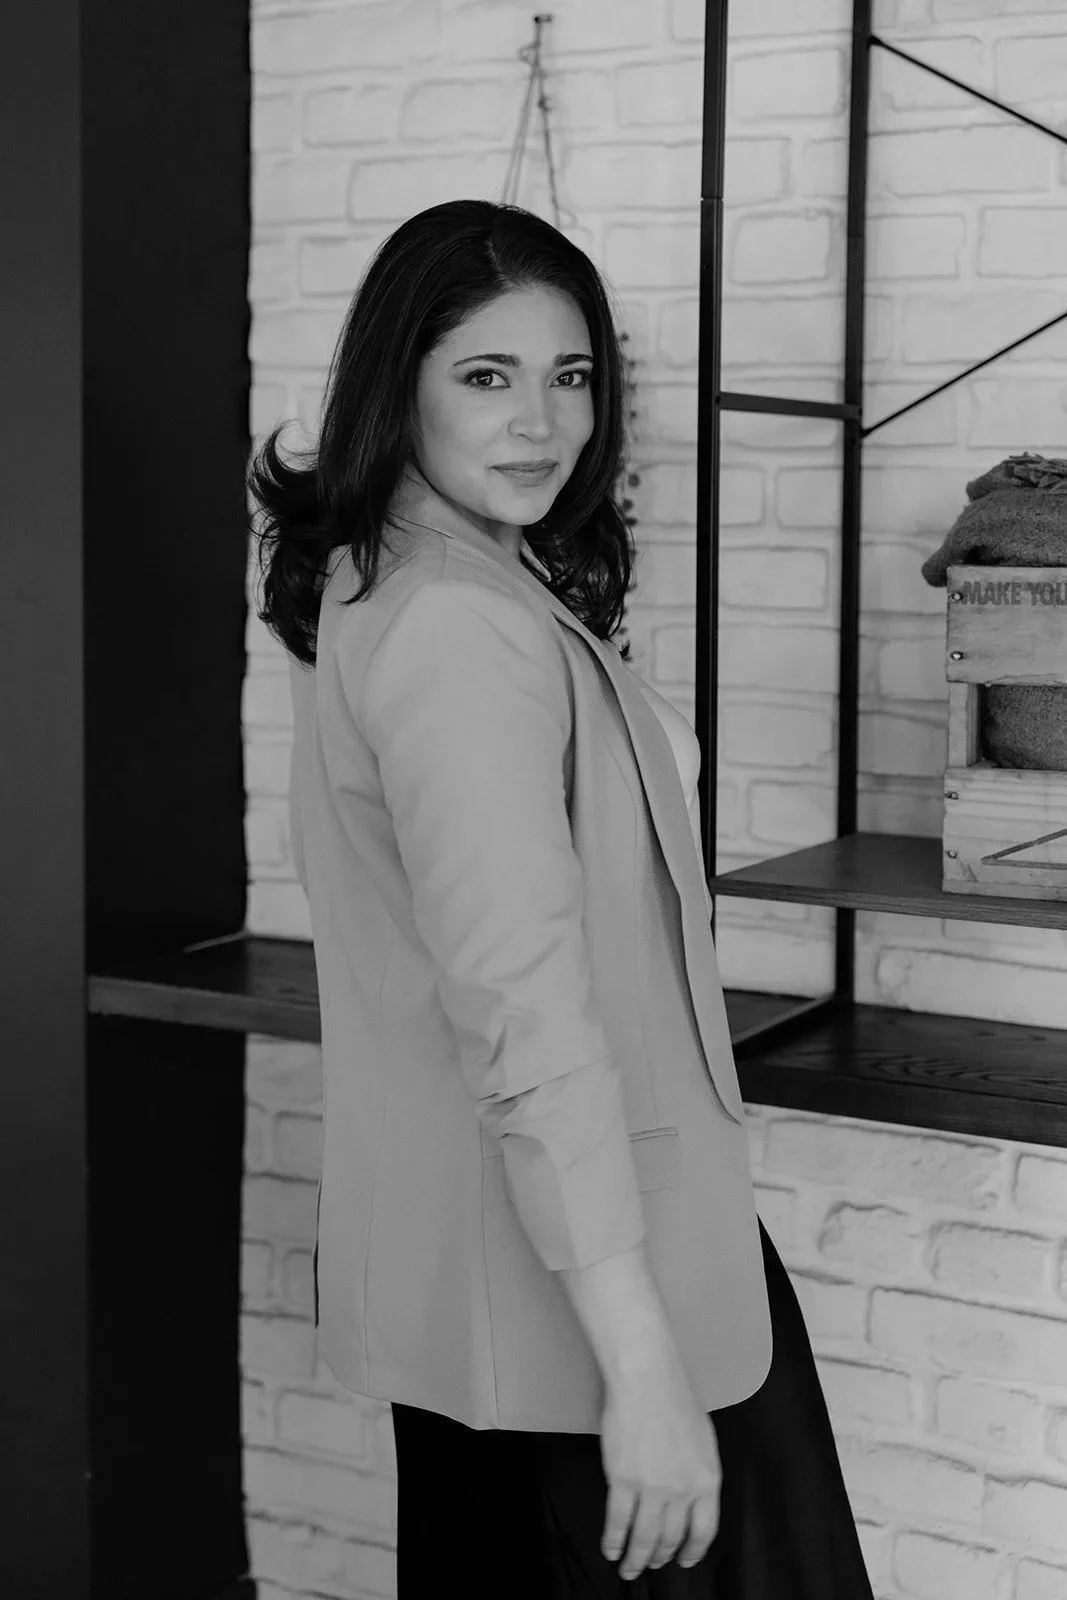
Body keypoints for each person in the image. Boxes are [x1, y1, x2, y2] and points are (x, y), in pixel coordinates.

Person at [249, 199, 874, 1599]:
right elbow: (524, 1014)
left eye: (570, 374)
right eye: (487, 376)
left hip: (525, 1261)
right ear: (393, 386)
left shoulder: (407, 577)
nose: (542, 420)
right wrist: (643, 1372)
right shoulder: (460, 627)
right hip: (580, 1291)